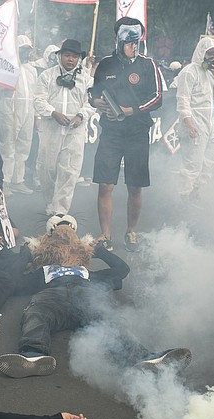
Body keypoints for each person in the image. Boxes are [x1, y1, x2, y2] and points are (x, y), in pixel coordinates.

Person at [0, 214, 191, 378]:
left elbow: (122, 269)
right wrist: (26, 254)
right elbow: (12, 279)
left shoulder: (89, 274)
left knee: (107, 321)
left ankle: (144, 358)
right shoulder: (43, 271)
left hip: (86, 297)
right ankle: (33, 354)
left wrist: (98, 250)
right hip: (51, 298)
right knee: (36, 315)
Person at [90, 19, 163, 253]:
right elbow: (93, 91)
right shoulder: (106, 64)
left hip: (137, 132)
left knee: (134, 185)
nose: (134, 46)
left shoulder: (148, 64)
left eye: (137, 42)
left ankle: (131, 231)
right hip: (111, 132)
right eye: (129, 42)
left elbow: (158, 97)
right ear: (119, 41)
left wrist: (134, 109)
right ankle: (105, 235)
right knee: (105, 185)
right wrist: (95, 101)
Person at [33, 39, 92, 215]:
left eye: (74, 56)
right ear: (60, 56)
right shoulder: (46, 76)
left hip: (75, 132)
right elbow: (38, 100)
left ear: (79, 59)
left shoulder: (87, 79)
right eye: (67, 55)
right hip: (50, 130)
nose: (70, 60)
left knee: (69, 171)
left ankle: (60, 211)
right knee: (46, 169)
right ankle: (50, 203)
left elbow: (92, 103)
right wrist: (53, 113)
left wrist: (80, 116)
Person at [175, 37, 214, 204]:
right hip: (194, 123)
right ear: (201, 52)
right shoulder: (189, 72)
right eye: (209, 53)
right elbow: (182, 100)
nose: (212, 57)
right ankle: (184, 199)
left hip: (209, 124)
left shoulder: (210, 73)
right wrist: (188, 123)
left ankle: (195, 189)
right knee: (192, 165)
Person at [0, 35, 37, 197]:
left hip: (28, 110)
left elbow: (35, 93)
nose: (27, 53)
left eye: (28, 49)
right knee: (8, 146)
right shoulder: (7, 67)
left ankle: (18, 180)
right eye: (23, 49)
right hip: (9, 109)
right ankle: (5, 181)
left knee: (24, 145)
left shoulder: (32, 70)